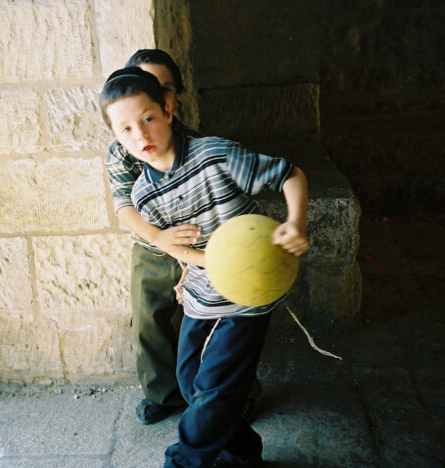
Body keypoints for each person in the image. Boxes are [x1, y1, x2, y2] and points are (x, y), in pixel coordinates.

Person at [99, 67, 310, 467]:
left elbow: (290, 175)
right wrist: (196, 263)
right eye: (126, 129)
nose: (141, 135)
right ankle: (243, 454)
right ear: (116, 138)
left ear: (167, 111)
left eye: (148, 118)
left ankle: (183, 461)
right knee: (190, 385)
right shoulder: (144, 195)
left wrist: (295, 222)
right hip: (201, 294)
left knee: (212, 391)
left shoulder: (215, 156)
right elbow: (182, 250)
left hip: (246, 294)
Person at [104, 49, 202, 424]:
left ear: (174, 99)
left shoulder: (195, 145)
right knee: (149, 322)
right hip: (151, 248)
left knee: (210, 321)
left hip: (197, 246)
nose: (156, 96)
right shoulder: (123, 152)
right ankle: (163, 394)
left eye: (165, 89)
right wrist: (160, 240)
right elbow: (124, 207)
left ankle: (224, 393)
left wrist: (191, 257)